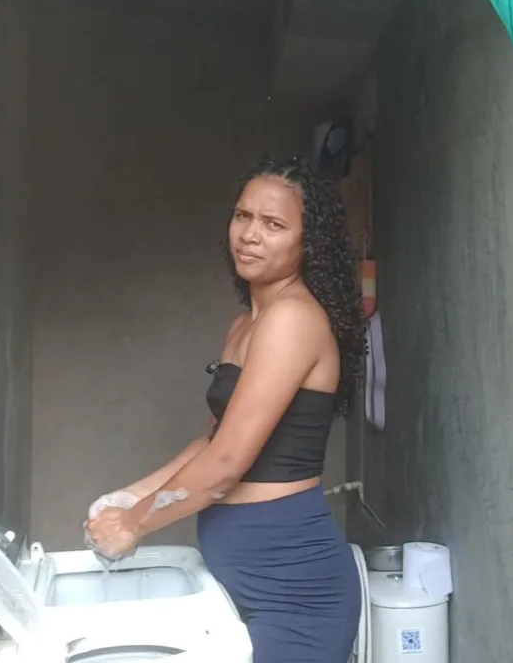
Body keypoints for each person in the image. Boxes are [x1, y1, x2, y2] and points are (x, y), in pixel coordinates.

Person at [85, 155, 366, 663]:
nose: (250, 235)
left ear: (308, 243)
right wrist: (128, 496)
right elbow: (211, 443)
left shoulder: (293, 319)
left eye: (273, 224)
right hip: (247, 585)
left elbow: (226, 466)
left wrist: (135, 524)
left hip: (295, 593)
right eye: (243, 216)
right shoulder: (244, 326)